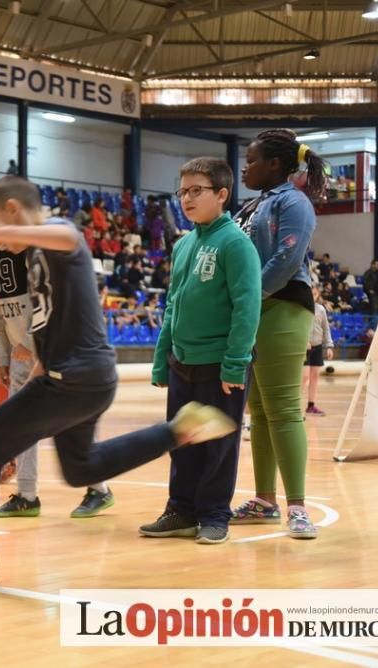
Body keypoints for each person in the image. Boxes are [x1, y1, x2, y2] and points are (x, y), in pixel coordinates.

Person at [0, 176, 238, 585]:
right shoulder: (33, 257)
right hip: (79, 378)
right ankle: (178, 431)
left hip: (77, 379)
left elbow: (67, 239)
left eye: (0, 226)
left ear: (12, 212)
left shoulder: (60, 234)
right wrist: (37, 369)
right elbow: (53, 319)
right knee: (81, 469)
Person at [138, 158, 261, 545]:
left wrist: (235, 364)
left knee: (218, 446)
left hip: (220, 365)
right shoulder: (184, 244)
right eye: (182, 191)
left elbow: (247, 306)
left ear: (221, 195)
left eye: (196, 191)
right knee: (182, 440)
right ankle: (181, 511)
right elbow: (172, 305)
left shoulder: (236, 244)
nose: (186, 199)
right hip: (182, 363)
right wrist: (162, 358)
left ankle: (213, 515)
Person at [229, 129, 327, 539]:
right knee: (260, 411)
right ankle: (265, 500)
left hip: (283, 306)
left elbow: (287, 258)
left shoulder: (294, 202)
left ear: (274, 164)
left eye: (251, 160)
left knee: (285, 407)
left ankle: (298, 507)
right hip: (252, 310)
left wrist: (249, 298)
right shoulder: (252, 205)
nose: (245, 167)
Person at [302, 284, 334, 417]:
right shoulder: (301, 308)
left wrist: (329, 346)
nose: (313, 296)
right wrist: (304, 341)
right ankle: (295, 407)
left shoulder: (321, 310)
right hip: (304, 348)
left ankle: (311, 405)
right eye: (311, 293)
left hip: (317, 346)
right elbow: (298, 328)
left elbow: (326, 328)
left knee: (315, 377)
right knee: (304, 377)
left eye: (315, 294)